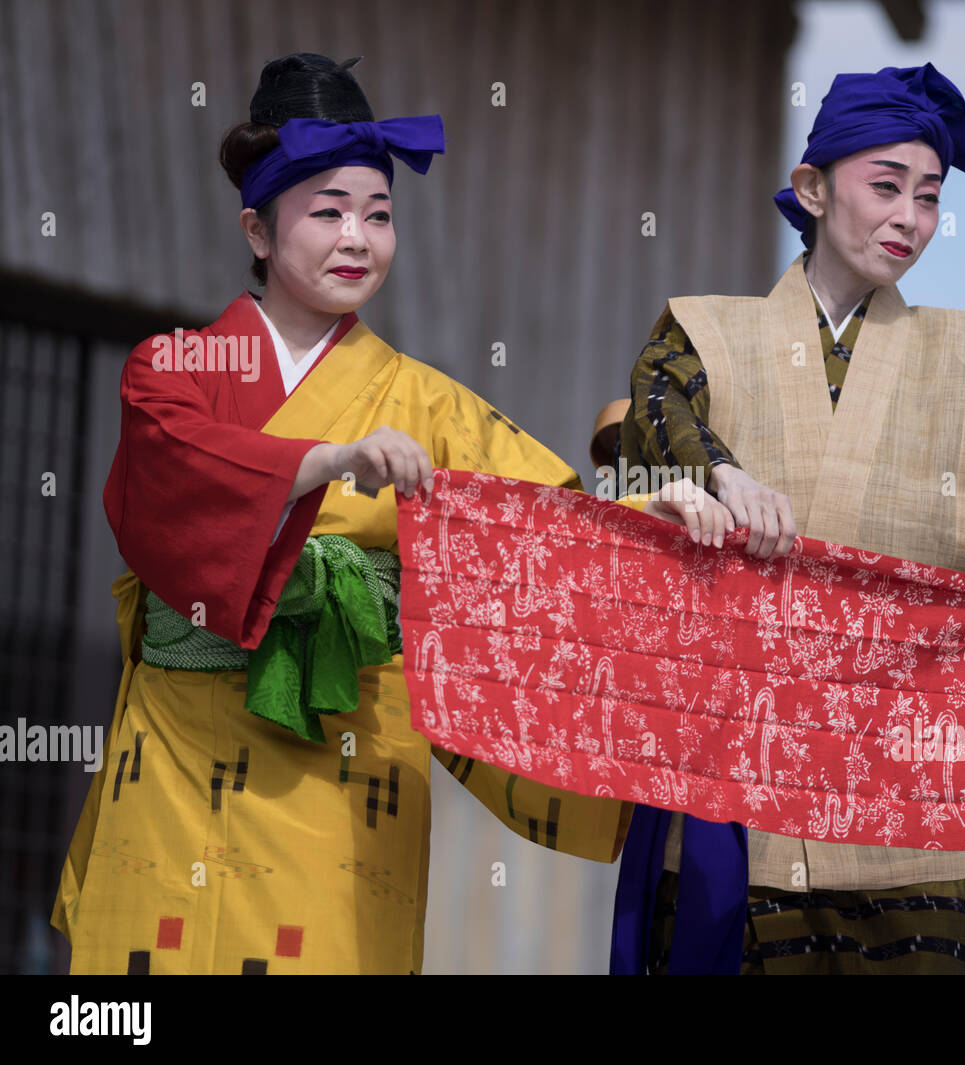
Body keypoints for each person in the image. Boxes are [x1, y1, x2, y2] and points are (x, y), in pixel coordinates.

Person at [50, 52, 711, 975]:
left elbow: (548, 525)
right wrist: (327, 460)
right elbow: (172, 470)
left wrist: (651, 507)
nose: (357, 236)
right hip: (171, 751)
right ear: (259, 228)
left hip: (345, 762)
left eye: (379, 214)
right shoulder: (173, 368)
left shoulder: (431, 405)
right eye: (326, 212)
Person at [610, 63, 965, 975]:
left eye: (928, 196)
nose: (909, 219)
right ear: (812, 189)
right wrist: (715, 476)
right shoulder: (704, 334)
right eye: (885, 187)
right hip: (739, 797)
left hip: (924, 807)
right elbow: (645, 435)